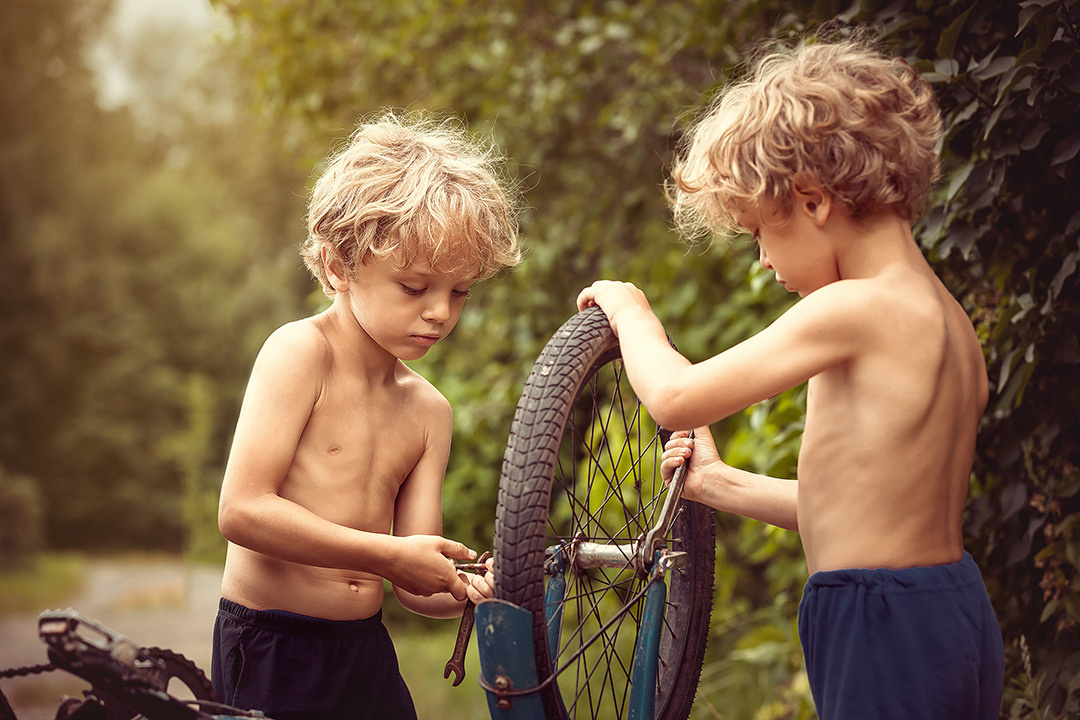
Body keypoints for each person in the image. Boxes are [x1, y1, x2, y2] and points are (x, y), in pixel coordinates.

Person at [577, 36, 1004, 720]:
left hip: (879, 622)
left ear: (813, 201)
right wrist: (719, 484)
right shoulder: (948, 321)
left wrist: (631, 315)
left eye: (758, 232)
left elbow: (674, 395)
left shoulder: (855, 307)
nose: (764, 260)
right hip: (947, 609)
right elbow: (859, 507)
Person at [211, 110, 520, 720]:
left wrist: (467, 590)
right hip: (274, 647)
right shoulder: (301, 354)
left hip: (364, 652)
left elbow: (411, 582)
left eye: (460, 291)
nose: (440, 312)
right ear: (337, 267)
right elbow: (241, 510)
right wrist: (387, 556)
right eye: (414, 287)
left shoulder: (429, 411)